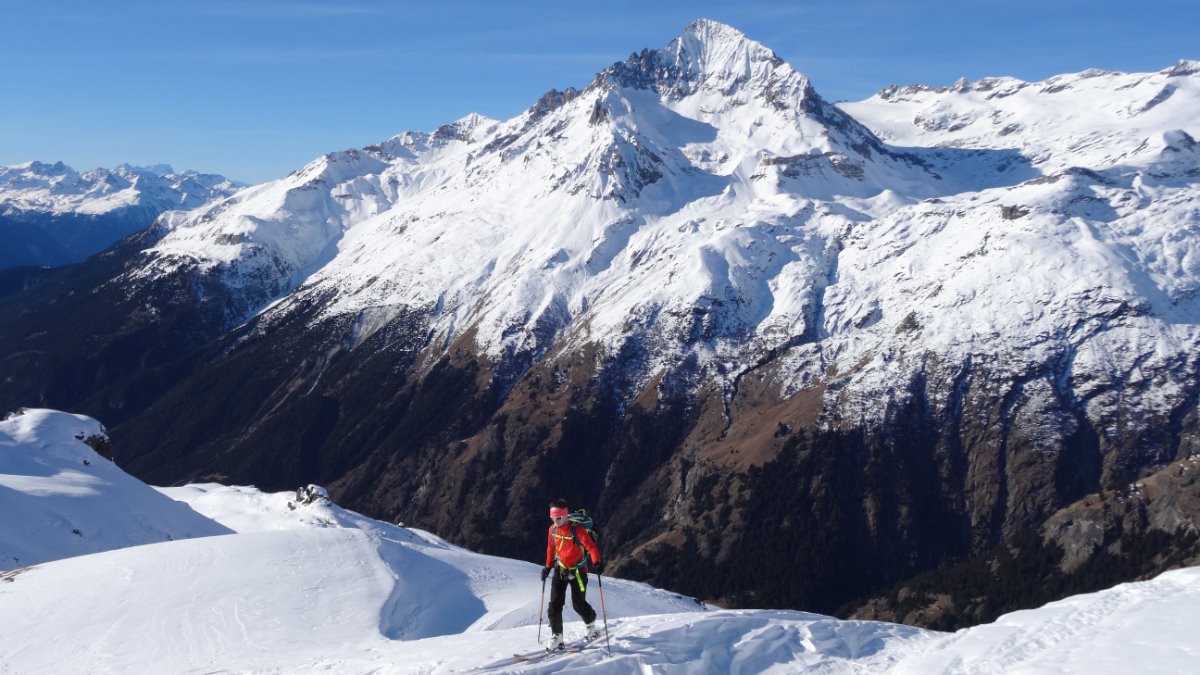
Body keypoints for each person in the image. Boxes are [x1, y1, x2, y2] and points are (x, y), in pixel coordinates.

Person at [540, 498, 603, 651]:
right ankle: (557, 636)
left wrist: (597, 562)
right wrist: (547, 568)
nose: (555, 520)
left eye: (558, 517)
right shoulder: (552, 530)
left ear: (565, 515)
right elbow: (551, 549)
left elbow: (591, 547)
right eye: (552, 517)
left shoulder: (577, 530)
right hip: (560, 569)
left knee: (578, 604)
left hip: (578, 571)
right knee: (555, 604)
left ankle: (591, 624)